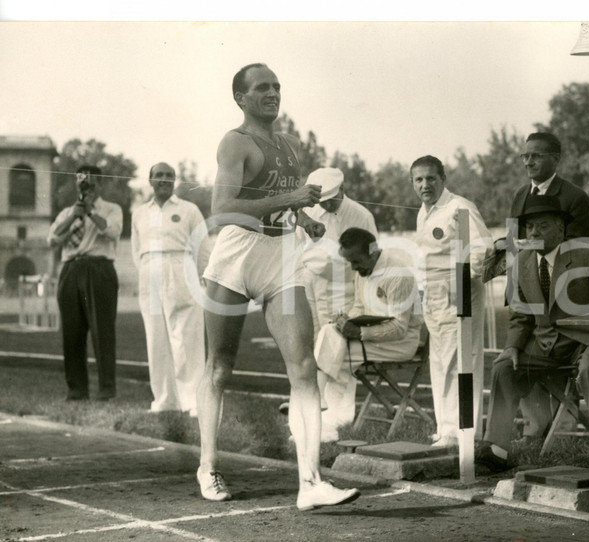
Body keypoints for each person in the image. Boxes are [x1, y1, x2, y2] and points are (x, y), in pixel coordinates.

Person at [195, 63, 359, 511]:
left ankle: (310, 482)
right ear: (241, 98)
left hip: (281, 253)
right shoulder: (235, 142)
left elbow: (285, 202)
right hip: (235, 255)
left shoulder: (289, 146)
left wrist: (303, 218)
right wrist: (290, 200)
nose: (273, 93)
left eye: (277, 86)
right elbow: (222, 209)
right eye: (262, 87)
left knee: (304, 365)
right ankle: (208, 465)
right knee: (219, 367)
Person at [477, 194, 589, 471]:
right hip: (544, 346)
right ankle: (497, 450)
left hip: (586, 341)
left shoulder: (583, 255)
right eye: (529, 227)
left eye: (542, 225)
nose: (534, 232)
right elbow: (520, 315)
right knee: (503, 367)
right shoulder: (521, 262)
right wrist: (513, 347)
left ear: (561, 229)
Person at [506, 132, 589, 443]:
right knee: (518, 355)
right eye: (525, 156)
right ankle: (534, 431)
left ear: (555, 160)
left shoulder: (575, 197)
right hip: (529, 289)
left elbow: (577, 250)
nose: (528, 161)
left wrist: (518, 246)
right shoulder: (520, 195)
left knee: (560, 365)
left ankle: (564, 435)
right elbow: (514, 247)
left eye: (536, 155)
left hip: (564, 296)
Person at [411, 155, 492, 448]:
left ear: (443, 179)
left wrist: (462, 279)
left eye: (431, 178)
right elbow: (424, 260)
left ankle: (463, 432)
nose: (425, 185)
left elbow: (484, 251)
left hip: (460, 290)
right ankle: (446, 428)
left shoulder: (460, 207)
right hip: (434, 295)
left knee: (463, 360)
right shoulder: (424, 212)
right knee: (441, 361)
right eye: (418, 180)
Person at [313, 228, 423, 441]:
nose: (353, 268)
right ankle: (326, 417)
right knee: (331, 335)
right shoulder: (363, 271)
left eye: (356, 261)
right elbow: (359, 307)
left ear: (373, 252)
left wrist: (359, 332)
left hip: (401, 343)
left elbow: (400, 329)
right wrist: (346, 320)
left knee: (337, 354)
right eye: (350, 263)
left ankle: (320, 412)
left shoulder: (399, 275)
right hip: (372, 339)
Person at [294, 169, 377, 440]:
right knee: (310, 347)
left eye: (331, 199)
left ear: (342, 189)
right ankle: (309, 420)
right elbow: (298, 249)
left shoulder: (361, 215)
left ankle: (336, 421)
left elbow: (371, 258)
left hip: (344, 288)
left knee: (339, 353)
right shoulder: (311, 214)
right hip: (312, 285)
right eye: (322, 201)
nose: (326, 206)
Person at [131, 162, 210, 416]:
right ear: (150, 180)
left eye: (169, 176)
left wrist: (203, 276)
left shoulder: (189, 209)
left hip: (180, 267)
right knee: (156, 338)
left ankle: (193, 400)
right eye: (159, 175)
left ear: (175, 181)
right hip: (149, 270)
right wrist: (148, 271)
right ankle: (165, 400)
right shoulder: (139, 213)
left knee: (186, 337)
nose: (164, 179)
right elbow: (136, 249)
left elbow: (203, 246)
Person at [47, 165, 123, 401]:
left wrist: (90, 212)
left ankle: (106, 389)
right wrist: (74, 216)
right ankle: (77, 390)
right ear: (75, 183)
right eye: (81, 182)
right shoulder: (66, 213)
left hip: (99, 268)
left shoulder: (111, 209)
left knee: (103, 331)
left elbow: (112, 232)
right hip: (71, 268)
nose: (86, 186)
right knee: (72, 332)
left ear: (99, 183)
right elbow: (52, 239)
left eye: (90, 182)